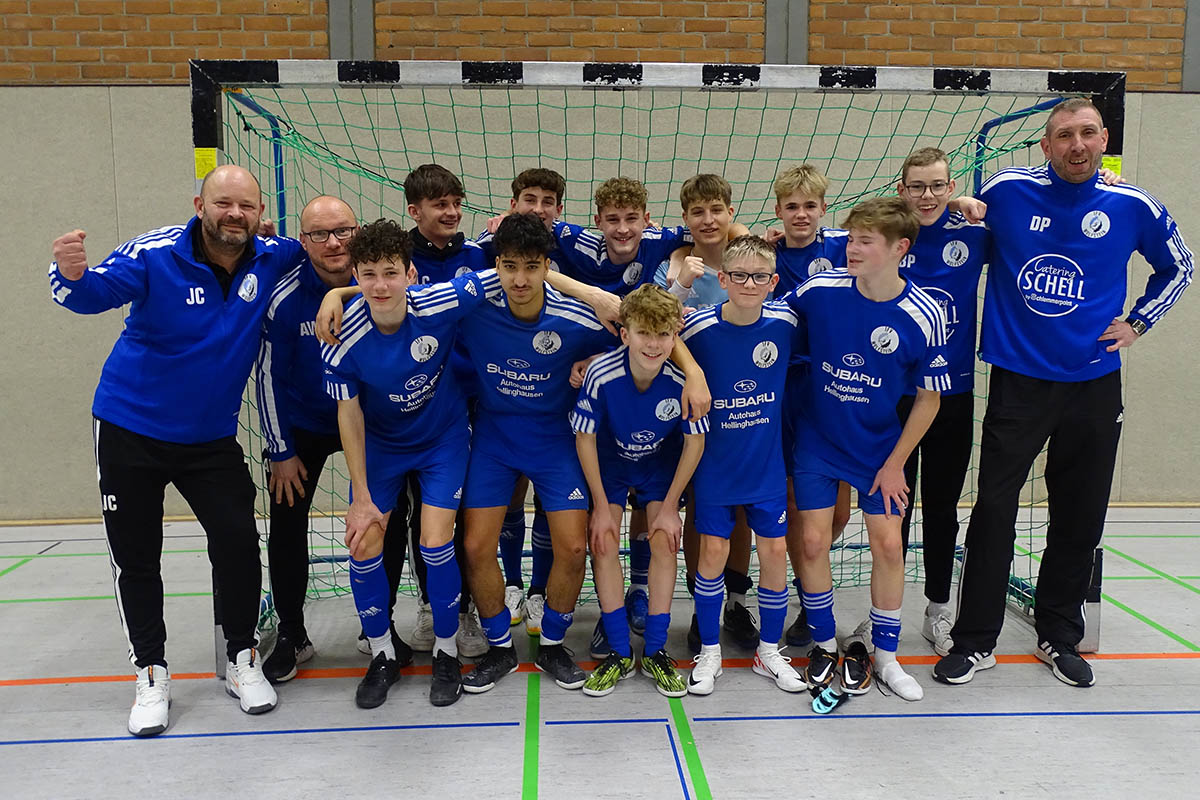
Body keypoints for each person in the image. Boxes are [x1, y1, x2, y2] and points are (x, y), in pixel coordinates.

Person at [933, 98, 1194, 688]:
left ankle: (1059, 633)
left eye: (1086, 134)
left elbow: (1178, 265)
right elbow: (928, 219)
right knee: (995, 510)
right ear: (1045, 147)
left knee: (1079, 514)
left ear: (1103, 140)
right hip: (1019, 382)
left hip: (1094, 384)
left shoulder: (1133, 205)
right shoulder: (1005, 191)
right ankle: (975, 640)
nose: (1076, 145)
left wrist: (1140, 321)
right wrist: (953, 201)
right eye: (1063, 136)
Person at [47, 165, 302, 736]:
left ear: (261, 214)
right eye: (223, 203)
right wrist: (68, 273)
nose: (234, 214)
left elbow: (336, 251)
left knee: (238, 542)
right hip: (129, 428)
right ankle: (151, 672)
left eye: (246, 206)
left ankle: (241, 658)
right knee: (136, 557)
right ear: (199, 204)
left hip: (210, 437)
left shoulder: (272, 255)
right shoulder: (153, 253)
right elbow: (89, 295)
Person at [455, 214, 709, 694]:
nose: (521, 279)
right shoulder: (471, 305)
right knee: (473, 546)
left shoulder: (578, 317)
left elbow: (647, 333)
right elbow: (405, 302)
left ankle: (552, 643)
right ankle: (498, 649)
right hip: (494, 441)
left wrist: (692, 372)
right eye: (509, 267)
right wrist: (336, 295)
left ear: (548, 267)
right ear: (497, 267)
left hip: (557, 443)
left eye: (533, 267)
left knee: (575, 547)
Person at [320, 219, 505, 708]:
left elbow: (511, 272)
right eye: (368, 275)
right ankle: (382, 653)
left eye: (390, 272)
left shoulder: (440, 302)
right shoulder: (339, 334)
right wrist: (360, 498)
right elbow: (349, 414)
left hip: (442, 440)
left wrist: (594, 297)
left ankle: (446, 652)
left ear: (410, 273)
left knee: (435, 540)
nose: (380, 285)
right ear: (355, 276)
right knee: (364, 539)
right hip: (382, 446)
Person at [790, 196, 951, 703]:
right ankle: (821, 643)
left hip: (879, 449)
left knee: (887, 544)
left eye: (865, 241)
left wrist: (896, 463)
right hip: (817, 440)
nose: (852, 249)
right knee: (812, 543)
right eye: (850, 238)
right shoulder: (819, 291)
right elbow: (762, 321)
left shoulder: (926, 313)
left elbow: (929, 399)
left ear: (900, 248)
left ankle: (885, 656)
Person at [256, 196, 416, 683]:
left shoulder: (382, 285)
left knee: (386, 518)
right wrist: (281, 451)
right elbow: (266, 378)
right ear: (301, 242)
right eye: (319, 235)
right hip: (304, 425)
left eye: (343, 231)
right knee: (286, 523)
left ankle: (379, 627)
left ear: (358, 230)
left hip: (368, 424)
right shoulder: (283, 298)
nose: (333, 243)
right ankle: (291, 632)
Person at [678, 235, 806, 696]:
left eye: (758, 276)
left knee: (774, 553)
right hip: (715, 467)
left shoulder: (787, 320)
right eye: (738, 276)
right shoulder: (697, 328)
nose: (748, 284)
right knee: (712, 554)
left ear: (773, 282)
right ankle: (709, 649)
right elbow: (655, 327)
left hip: (766, 466)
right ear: (722, 279)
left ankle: (769, 651)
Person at [571, 285, 707, 697]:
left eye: (663, 334)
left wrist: (668, 507)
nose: (653, 343)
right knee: (604, 539)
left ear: (675, 333)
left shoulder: (684, 380)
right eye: (644, 333)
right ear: (625, 333)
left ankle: (656, 651)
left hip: (657, 467)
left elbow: (695, 443)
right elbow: (584, 439)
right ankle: (617, 651)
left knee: (666, 541)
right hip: (610, 467)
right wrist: (598, 505)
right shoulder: (601, 374)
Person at [889, 149, 989, 657]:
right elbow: (818, 237)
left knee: (944, 507)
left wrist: (975, 203)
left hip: (952, 393)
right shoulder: (887, 236)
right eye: (916, 186)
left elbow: (1027, 225)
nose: (926, 195)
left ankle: (936, 610)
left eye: (936, 186)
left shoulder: (973, 234)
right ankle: (883, 616)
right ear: (902, 189)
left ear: (950, 188)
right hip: (896, 397)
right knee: (891, 508)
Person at [657, 175, 762, 655]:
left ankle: (736, 601)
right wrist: (694, 371)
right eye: (698, 212)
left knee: (740, 511)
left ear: (730, 210)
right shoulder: (675, 268)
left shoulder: (751, 260)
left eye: (716, 210)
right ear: (685, 220)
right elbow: (656, 322)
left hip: (748, 405)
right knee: (703, 511)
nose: (708, 220)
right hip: (689, 406)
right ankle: (706, 606)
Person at [400, 163, 490, 657]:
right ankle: (434, 606)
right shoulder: (398, 257)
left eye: (457, 202)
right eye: (440, 204)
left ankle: (467, 610)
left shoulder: (480, 255)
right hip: (421, 407)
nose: (452, 212)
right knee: (425, 514)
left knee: (472, 510)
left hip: (475, 402)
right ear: (415, 211)